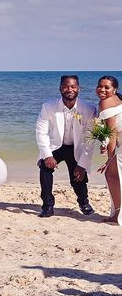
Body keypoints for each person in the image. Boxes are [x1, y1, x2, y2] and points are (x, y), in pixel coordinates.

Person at [35, 75, 96, 218]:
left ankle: (84, 203)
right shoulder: (48, 107)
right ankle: (48, 206)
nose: (69, 89)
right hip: (56, 146)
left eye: (73, 86)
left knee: (79, 175)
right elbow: (41, 131)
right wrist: (47, 155)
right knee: (44, 168)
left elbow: (90, 139)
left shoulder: (89, 109)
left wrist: (83, 164)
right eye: (66, 86)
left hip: (76, 146)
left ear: (78, 88)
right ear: (60, 88)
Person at [94, 75, 122, 225]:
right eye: (100, 86)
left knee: (111, 176)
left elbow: (111, 133)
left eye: (107, 87)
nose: (102, 90)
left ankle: (117, 215)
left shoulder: (105, 103)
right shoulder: (118, 98)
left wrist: (110, 159)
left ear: (115, 89)